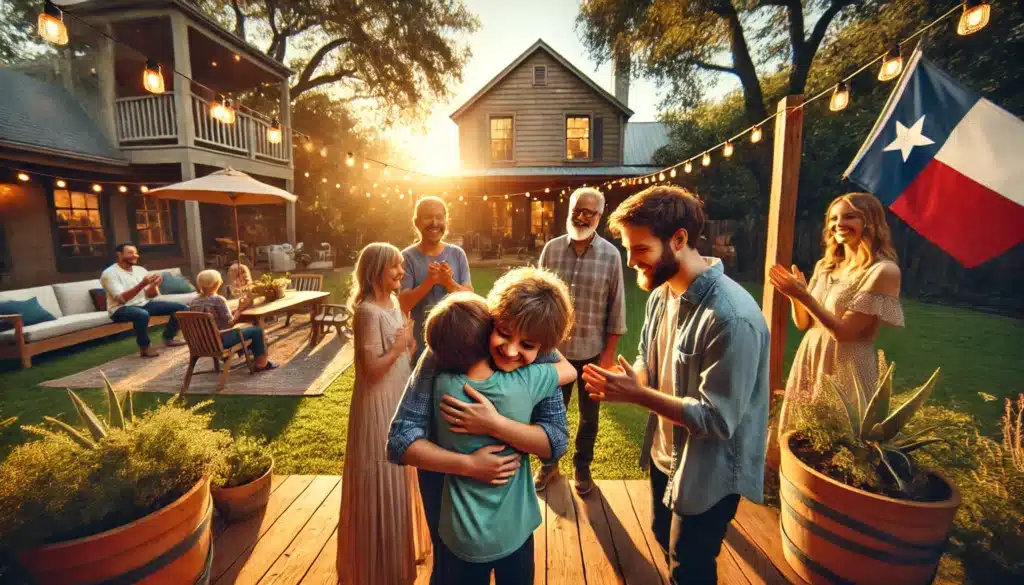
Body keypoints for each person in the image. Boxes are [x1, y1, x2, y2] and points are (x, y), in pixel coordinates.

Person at [580, 186, 769, 585]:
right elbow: (647, 358)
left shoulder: (732, 317)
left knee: (690, 568)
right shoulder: (661, 294)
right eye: (628, 248)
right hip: (664, 457)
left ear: (679, 239)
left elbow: (717, 420)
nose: (630, 261)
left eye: (641, 249)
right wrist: (632, 380)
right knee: (661, 535)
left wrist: (638, 395)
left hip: (709, 472)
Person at [387, 267, 573, 585]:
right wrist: (467, 464)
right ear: (492, 316)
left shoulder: (542, 354)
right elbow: (401, 438)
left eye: (528, 344)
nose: (511, 350)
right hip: (448, 508)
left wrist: (495, 424)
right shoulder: (451, 344)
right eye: (503, 332)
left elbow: (556, 441)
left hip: (512, 519)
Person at [770, 192, 903, 435]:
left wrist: (803, 296)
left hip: (848, 365)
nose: (838, 224)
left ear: (871, 222)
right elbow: (804, 323)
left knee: (837, 440)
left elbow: (844, 333)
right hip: (811, 356)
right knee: (798, 437)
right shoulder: (825, 266)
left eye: (849, 217)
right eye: (833, 218)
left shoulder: (882, 271)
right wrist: (793, 295)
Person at [338, 243, 431, 585]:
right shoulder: (366, 312)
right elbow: (372, 370)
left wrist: (408, 346)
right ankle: (380, 566)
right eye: (394, 266)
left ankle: (399, 552)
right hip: (377, 403)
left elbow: (401, 356)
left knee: (401, 467)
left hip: (397, 395)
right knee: (382, 470)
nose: (401, 272)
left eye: (401, 265)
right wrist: (398, 347)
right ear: (375, 270)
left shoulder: (393, 302)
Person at [536, 186, 627, 495]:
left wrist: (608, 356)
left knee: (590, 417)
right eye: (577, 210)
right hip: (554, 351)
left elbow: (617, 307)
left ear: (599, 216)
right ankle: (549, 465)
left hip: (592, 352)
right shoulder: (551, 250)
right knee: (551, 412)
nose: (582, 217)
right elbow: (538, 298)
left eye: (589, 212)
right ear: (570, 211)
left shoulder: (611, 255)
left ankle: (582, 466)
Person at [399, 196, 473, 363]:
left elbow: (470, 298)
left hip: (456, 341)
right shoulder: (407, 257)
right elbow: (402, 304)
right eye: (428, 217)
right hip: (419, 345)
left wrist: (449, 283)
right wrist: (429, 282)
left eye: (439, 217)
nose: (434, 223)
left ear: (446, 221)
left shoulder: (457, 254)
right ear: (416, 222)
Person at [101, 243, 187, 357]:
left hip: (144, 304)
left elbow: (151, 295)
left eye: (136, 253)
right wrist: (142, 284)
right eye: (130, 253)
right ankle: (144, 347)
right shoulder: (109, 274)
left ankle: (169, 337)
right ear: (119, 255)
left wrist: (154, 285)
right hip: (120, 309)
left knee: (182, 308)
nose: (135, 256)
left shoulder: (140, 270)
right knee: (142, 314)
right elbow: (121, 299)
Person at [188, 270, 276, 372]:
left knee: (246, 331)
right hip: (219, 341)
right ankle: (262, 364)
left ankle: (248, 352)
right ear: (217, 284)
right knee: (257, 331)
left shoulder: (194, 301)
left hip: (201, 342)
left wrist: (234, 311)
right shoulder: (218, 300)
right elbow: (229, 323)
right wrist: (240, 309)